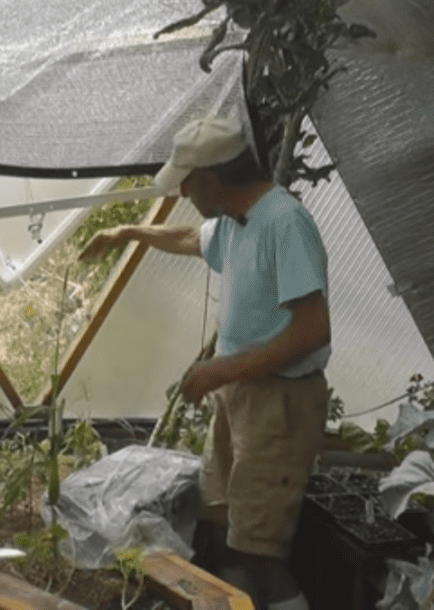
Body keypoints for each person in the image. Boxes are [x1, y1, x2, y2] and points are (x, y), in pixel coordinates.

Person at [78, 117, 331, 610]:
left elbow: (312, 331)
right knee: (218, 529)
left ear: (212, 179)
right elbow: (189, 239)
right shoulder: (236, 223)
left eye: (187, 183)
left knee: (261, 553)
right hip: (238, 396)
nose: (184, 193)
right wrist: (127, 231)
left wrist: (219, 370)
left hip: (277, 404)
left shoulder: (284, 223)